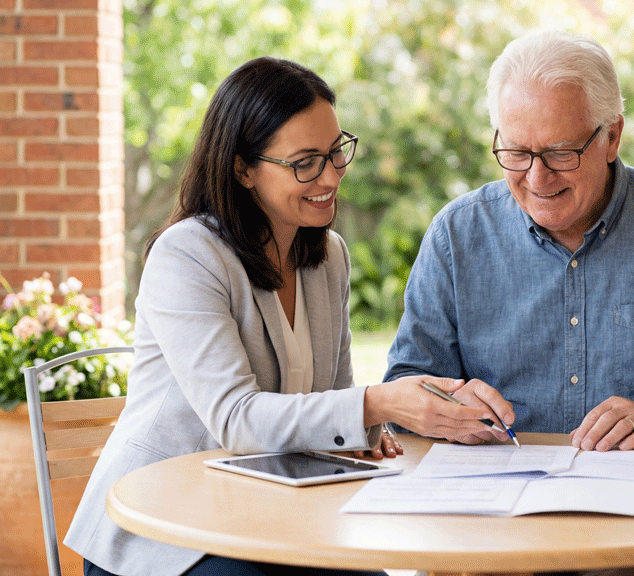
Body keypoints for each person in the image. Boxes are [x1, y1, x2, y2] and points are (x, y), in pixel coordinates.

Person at [65, 57, 505, 576]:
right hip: (166, 532)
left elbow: (335, 395)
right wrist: (378, 403)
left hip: (271, 519)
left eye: (337, 152)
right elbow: (236, 419)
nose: (331, 176)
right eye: (305, 162)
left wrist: (379, 425)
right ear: (243, 169)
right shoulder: (187, 255)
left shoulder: (329, 256)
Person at [385, 29, 634, 576]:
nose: (536, 177)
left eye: (560, 153)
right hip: (488, 542)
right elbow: (407, 385)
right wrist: (444, 402)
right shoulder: (458, 234)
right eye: (517, 152)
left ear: (612, 137)